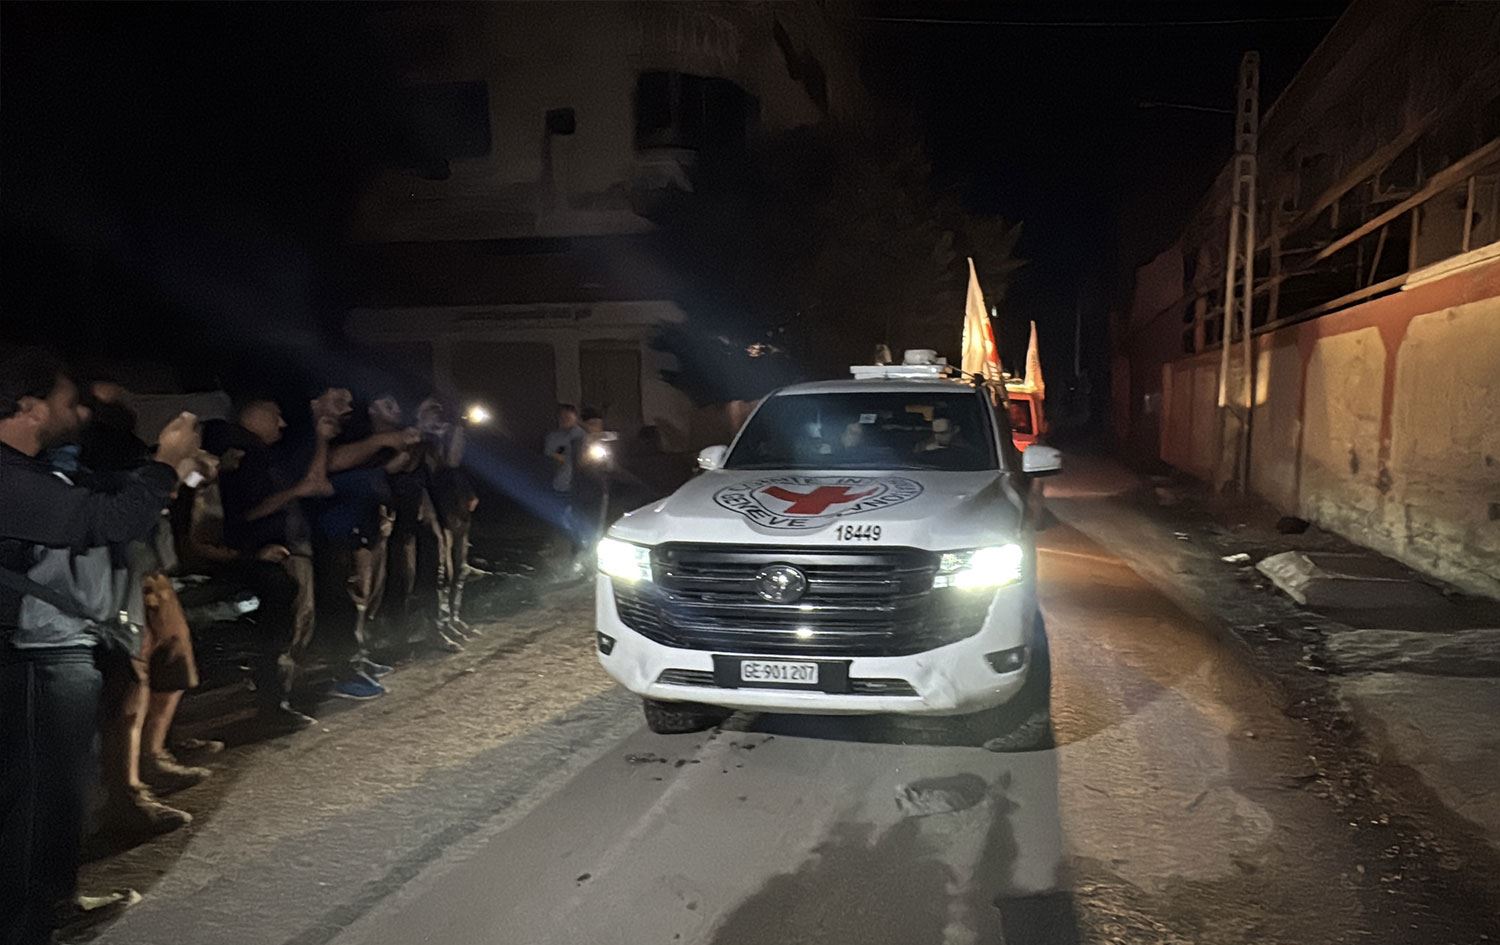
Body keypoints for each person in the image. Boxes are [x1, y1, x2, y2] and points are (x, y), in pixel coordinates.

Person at [1, 348, 202, 945]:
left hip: (52, 648)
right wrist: (165, 464)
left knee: (57, 794)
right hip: (32, 655)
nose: (81, 413)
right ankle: (27, 925)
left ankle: (50, 905)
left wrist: (163, 475)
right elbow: (104, 521)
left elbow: (105, 498)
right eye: (70, 402)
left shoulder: (32, 472)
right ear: (31, 408)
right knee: (37, 799)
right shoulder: (8, 478)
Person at [416, 397, 480, 641]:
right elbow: (446, 464)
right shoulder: (419, 440)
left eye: (438, 411)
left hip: (454, 508)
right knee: (442, 570)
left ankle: (453, 617)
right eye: (430, 411)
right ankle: (437, 625)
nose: (437, 415)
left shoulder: (444, 435)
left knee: (458, 566)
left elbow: (456, 467)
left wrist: (458, 429)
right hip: (434, 511)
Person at [543, 404, 588, 566]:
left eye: (569, 417)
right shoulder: (553, 437)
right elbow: (553, 457)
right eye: (562, 417)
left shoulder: (583, 436)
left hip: (579, 485)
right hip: (560, 483)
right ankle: (559, 547)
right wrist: (561, 453)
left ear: (575, 418)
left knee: (577, 516)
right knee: (558, 516)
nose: (565, 420)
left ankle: (578, 549)